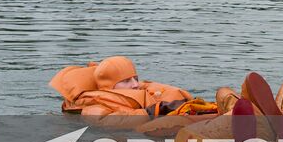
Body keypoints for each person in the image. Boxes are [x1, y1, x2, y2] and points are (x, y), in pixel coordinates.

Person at [49, 55, 205, 127]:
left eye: (135, 78)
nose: (135, 85)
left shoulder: (146, 92)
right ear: (108, 87)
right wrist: (153, 111)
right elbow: (107, 122)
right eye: (125, 81)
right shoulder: (94, 106)